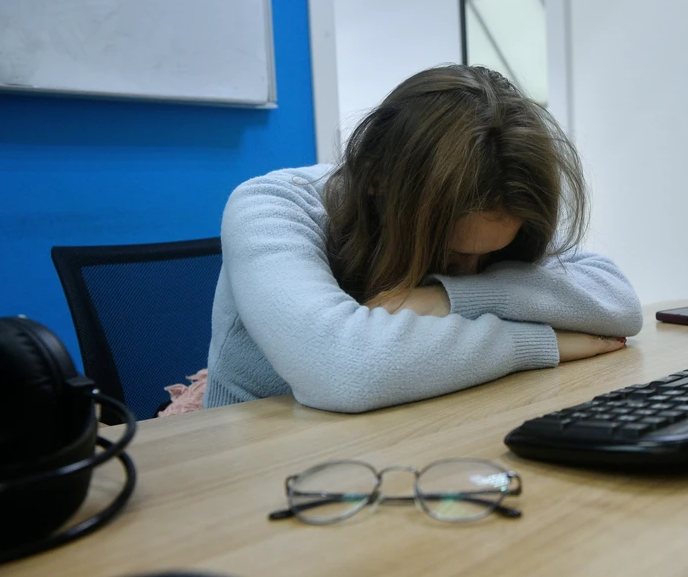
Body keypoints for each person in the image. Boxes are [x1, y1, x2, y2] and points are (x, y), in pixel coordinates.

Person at [204, 65, 642, 413]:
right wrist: (536, 343)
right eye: (453, 253)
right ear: (376, 181)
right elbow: (343, 367)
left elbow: (619, 302)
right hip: (255, 452)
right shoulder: (271, 205)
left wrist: (449, 298)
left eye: (493, 255)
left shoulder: (498, 194)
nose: (472, 269)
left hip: (415, 423)